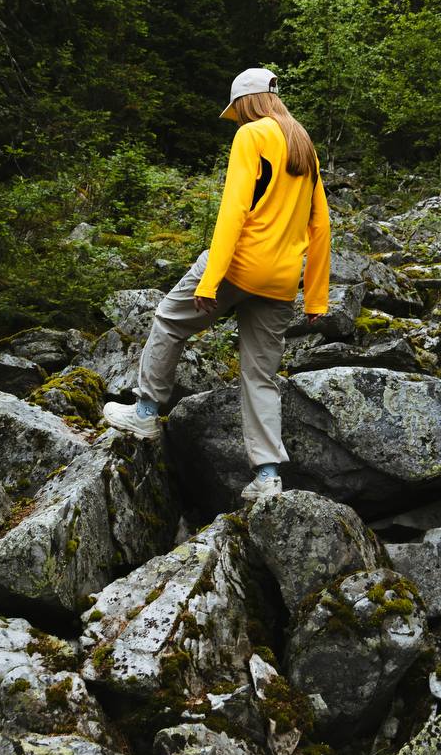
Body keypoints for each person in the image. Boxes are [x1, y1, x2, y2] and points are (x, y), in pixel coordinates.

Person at [102, 67, 331, 500]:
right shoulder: (305, 144)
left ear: (247, 102)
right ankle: (267, 477)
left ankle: (147, 412)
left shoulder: (252, 136)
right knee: (260, 375)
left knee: (169, 319)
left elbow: (233, 212)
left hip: (239, 265)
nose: (238, 118)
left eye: (237, 109)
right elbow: (321, 226)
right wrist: (315, 295)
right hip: (281, 280)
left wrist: (210, 281)